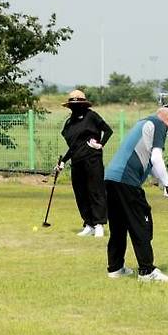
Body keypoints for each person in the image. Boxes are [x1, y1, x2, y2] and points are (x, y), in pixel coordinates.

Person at [103, 103, 168, 282]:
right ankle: (147, 271)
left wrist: (163, 184)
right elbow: (156, 157)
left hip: (111, 178)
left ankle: (115, 268)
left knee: (118, 226)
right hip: (127, 181)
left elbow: (149, 163)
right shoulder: (159, 124)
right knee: (142, 224)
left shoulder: (144, 122)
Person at [54, 90, 113, 237]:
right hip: (77, 161)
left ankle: (99, 224)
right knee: (81, 193)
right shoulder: (70, 122)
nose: (75, 106)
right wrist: (63, 161)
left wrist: (100, 144)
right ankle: (89, 224)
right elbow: (74, 147)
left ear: (83, 104)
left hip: (93, 159)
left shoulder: (91, 116)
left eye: (77, 103)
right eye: (72, 104)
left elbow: (108, 130)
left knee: (95, 191)